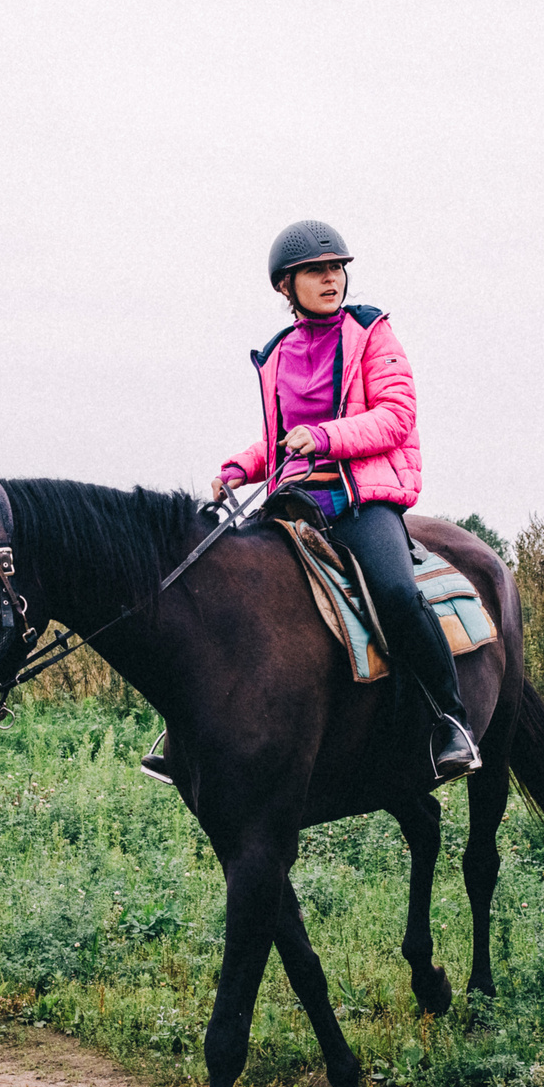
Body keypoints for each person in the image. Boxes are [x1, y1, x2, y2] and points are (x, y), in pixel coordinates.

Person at [142, 220, 482, 786]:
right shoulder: (277, 354)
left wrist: (324, 436)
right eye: (317, 271)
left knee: (396, 594)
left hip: (360, 499)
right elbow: (280, 436)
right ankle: (186, 735)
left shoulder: (372, 333)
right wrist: (241, 467)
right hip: (295, 498)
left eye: (338, 268)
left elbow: (396, 417)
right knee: (211, 580)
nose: (332, 279)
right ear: (286, 286)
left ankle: (450, 720)